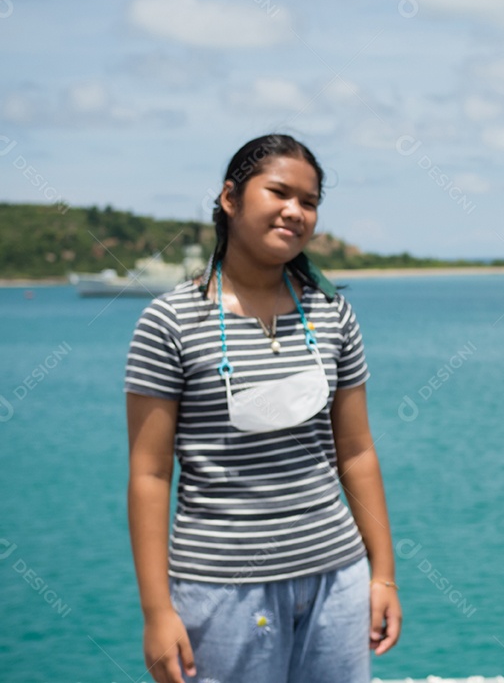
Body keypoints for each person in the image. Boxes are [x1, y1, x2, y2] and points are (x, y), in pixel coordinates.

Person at [125, 134, 401, 683]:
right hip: (221, 590)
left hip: (337, 579)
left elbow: (356, 451)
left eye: (310, 201)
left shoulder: (332, 313)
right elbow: (150, 474)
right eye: (279, 192)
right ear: (230, 198)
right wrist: (156, 612)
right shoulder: (170, 322)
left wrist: (383, 574)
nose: (295, 211)